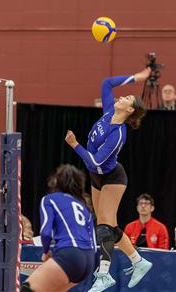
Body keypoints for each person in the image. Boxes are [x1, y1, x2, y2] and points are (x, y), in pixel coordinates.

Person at [65, 67, 152, 291]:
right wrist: (137, 77)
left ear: (130, 109)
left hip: (113, 176)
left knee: (104, 224)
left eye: (127, 97)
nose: (122, 96)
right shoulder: (110, 109)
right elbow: (106, 83)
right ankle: (138, 261)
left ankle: (104, 274)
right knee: (107, 224)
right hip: (97, 176)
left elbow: (94, 161)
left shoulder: (118, 133)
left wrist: (75, 145)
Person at [21, 164, 96, 292]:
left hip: (69, 254)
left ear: (57, 181)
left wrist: (45, 252)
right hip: (89, 260)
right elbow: (93, 243)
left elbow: (46, 232)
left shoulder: (49, 200)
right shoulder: (84, 207)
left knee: (28, 289)